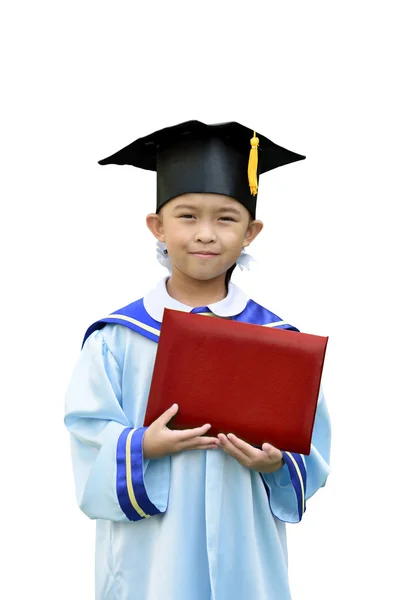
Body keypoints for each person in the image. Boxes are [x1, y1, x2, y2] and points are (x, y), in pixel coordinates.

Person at [65, 120, 331, 600]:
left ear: (251, 232)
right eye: (187, 216)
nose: (206, 234)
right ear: (157, 227)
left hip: (246, 555)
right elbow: (89, 439)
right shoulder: (117, 339)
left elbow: (310, 455)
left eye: (226, 218)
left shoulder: (278, 343)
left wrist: (277, 464)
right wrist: (142, 445)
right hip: (152, 561)